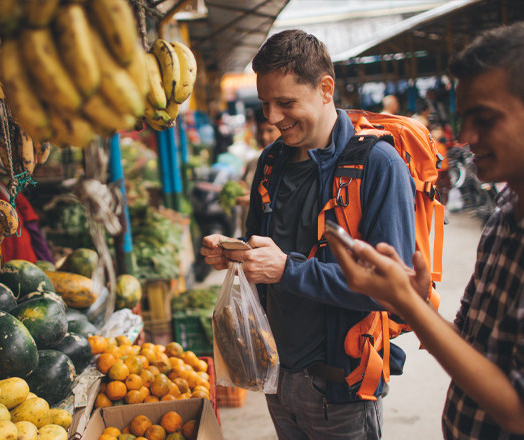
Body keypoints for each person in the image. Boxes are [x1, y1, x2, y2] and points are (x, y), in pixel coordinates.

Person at [200, 29, 416, 439]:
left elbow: (392, 289)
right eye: (266, 104)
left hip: (339, 391)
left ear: (325, 89)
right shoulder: (271, 162)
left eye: (285, 103)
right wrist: (235, 254)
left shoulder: (377, 165)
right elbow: (264, 250)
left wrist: (287, 270)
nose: (272, 118)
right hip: (276, 378)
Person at [327, 23, 524, 439]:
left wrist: (410, 305)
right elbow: (471, 350)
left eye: (484, 120)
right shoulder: (505, 215)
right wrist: (412, 302)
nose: (466, 139)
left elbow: (516, 411)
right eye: (463, 119)